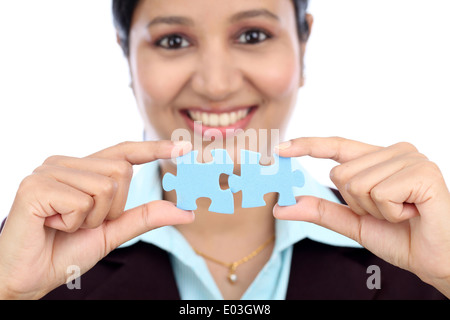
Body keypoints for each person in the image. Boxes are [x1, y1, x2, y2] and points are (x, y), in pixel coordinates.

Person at [0, 0, 449, 300]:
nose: (216, 84)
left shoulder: (417, 251)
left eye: (252, 35)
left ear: (303, 44)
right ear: (128, 57)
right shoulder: (33, 252)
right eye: (173, 41)